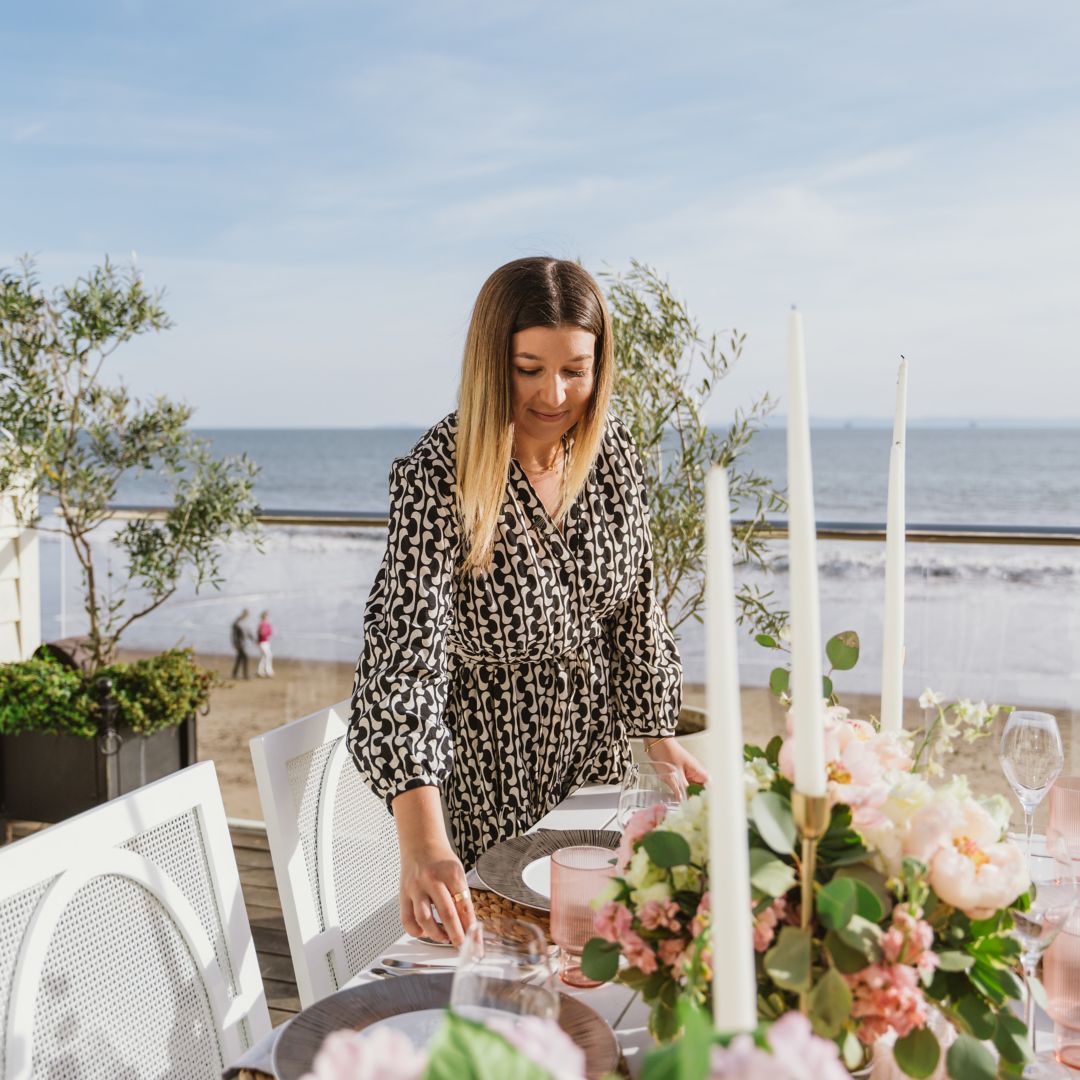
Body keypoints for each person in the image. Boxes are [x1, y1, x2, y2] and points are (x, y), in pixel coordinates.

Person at [348, 257, 707, 949]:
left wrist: (657, 736)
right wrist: (423, 841)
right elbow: (402, 661)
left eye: (576, 368)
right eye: (529, 367)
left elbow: (636, 607)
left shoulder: (614, 453)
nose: (555, 393)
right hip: (488, 794)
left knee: (608, 970)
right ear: (492, 362)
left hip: (596, 782)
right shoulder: (438, 474)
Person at [231, 608, 252, 680]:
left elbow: (248, 632)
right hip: (239, 644)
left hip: (244, 643)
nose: (246, 616)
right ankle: (245, 675)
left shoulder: (244, 622)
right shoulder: (237, 623)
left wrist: (253, 639)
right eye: (245, 614)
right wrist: (234, 644)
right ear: (243, 614)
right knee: (246, 657)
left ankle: (234, 673)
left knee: (239, 658)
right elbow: (233, 635)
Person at [256, 610, 274, 678]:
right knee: (268, 655)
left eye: (267, 616)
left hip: (266, 642)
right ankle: (268, 671)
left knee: (264, 657)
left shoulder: (267, 624)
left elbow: (270, 632)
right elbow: (260, 633)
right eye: (265, 616)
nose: (266, 617)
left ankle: (260, 671)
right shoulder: (262, 624)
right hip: (262, 642)